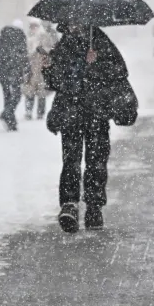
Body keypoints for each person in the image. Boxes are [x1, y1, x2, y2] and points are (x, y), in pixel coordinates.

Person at [44, 24, 138, 232]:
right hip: (70, 113)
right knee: (71, 161)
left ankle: (94, 208)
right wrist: (48, 67)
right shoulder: (63, 45)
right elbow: (55, 83)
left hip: (97, 112)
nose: (73, 26)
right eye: (70, 22)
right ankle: (69, 204)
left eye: (77, 21)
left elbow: (120, 71)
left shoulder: (101, 42)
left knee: (96, 161)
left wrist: (96, 64)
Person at [0, 20, 30, 131]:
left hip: (3, 71)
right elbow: (24, 55)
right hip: (15, 70)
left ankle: (11, 122)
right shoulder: (20, 37)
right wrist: (28, 70)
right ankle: (7, 114)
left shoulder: (3, 38)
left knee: (7, 96)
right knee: (17, 95)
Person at [23, 20, 55, 120]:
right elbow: (25, 53)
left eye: (35, 26)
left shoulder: (44, 37)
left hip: (41, 69)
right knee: (29, 91)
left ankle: (40, 113)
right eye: (32, 26)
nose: (33, 28)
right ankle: (28, 111)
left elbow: (50, 50)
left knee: (41, 92)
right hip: (31, 70)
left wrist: (43, 51)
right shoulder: (28, 38)